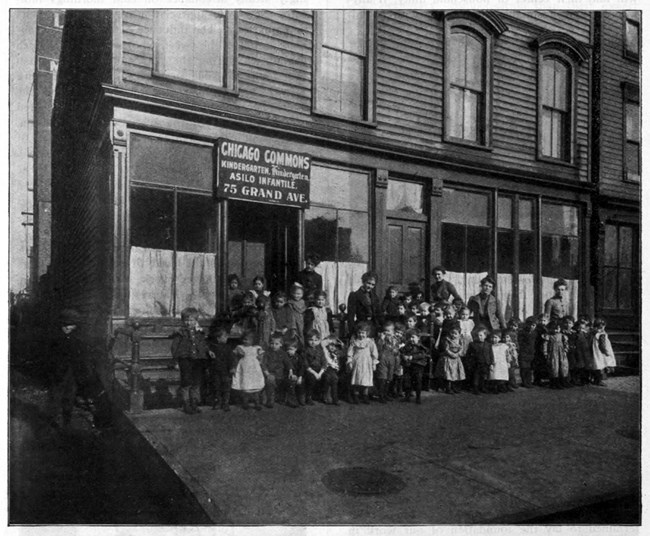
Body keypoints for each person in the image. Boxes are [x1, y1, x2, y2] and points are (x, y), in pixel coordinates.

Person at [47, 309, 95, 428]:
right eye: (66, 325)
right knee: (55, 397)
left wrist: (83, 371)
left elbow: (82, 357)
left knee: (69, 396)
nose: (68, 328)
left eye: (71, 325)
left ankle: (66, 422)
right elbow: (50, 357)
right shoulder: (55, 338)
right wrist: (54, 370)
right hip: (58, 373)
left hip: (71, 373)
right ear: (61, 325)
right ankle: (52, 421)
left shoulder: (77, 339)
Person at [171, 307, 213, 414]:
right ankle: (186, 404)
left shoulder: (200, 332)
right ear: (183, 321)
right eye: (186, 320)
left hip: (198, 359)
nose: (189, 323)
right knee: (186, 382)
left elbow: (203, 344)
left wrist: (208, 351)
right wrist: (175, 361)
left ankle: (194, 403)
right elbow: (174, 347)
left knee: (196, 381)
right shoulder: (180, 333)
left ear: (196, 321)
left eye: (192, 320)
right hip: (185, 359)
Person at [231, 330, 265, 410]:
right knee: (245, 385)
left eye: (247, 339)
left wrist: (260, 358)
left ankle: (257, 403)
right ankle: (245, 403)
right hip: (244, 369)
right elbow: (234, 356)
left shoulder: (256, 348)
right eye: (244, 339)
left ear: (253, 340)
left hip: (254, 369)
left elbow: (261, 356)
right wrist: (234, 365)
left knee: (255, 386)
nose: (245, 341)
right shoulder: (240, 347)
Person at [347, 322, 379, 404]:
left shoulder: (370, 342)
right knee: (356, 380)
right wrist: (350, 362)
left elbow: (374, 353)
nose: (361, 335)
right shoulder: (354, 342)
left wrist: (374, 363)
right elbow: (350, 353)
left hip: (366, 364)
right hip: (357, 363)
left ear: (367, 333)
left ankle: (365, 396)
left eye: (363, 333)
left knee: (366, 381)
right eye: (359, 333)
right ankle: (356, 396)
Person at [260, 332, 293, 408]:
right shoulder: (267, 353)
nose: (274, 346)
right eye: (272, 343)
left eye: (276, 344)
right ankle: (270, 400)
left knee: (288, 381)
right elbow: (263, 364)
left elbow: (288, 363)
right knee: (270, 381)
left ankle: (286, 398)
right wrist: (267, 374)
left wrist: (291, 372)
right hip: (270, 374)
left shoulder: (283, 353)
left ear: (281, 344)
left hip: (280, 375)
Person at [347, 271, 383, 336]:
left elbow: (379, 313)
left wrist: (381, 328)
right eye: (368, 283)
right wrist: (352, 332)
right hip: (361, 327)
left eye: (373, 285)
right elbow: (350, 316)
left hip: (373, 326)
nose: (370, 286)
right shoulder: (355, 295)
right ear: (363, 282)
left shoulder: (374, 296)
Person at [207, 326, 234, 411]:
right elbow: (209, 360)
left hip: (225, 371)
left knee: (226, 387)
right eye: (224, 336)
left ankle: (225, 403)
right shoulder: (212, 348)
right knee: (216, 387)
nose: (227, 338)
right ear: (218, 338)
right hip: (215, 371)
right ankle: (218, 402)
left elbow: (231, 359)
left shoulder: (228, 347)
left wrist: (232, 367)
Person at [400, 328, 429, 404]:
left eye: (413, 337)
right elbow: (402, 351)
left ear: (418, 338)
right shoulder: (407, 346)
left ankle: (418, 397)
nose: (411, 339)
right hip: (408, 365)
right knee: (407, 381)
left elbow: (423, 354)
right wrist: (404, 356)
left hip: (418, 365)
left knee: (418, 381)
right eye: (409, 337)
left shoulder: (420, 346)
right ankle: (407, 396)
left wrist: (413, 357)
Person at [436, 322, 466, 394]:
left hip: (456, 359)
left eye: (455, 333)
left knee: (456, 373)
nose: (453, 335)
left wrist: (458, 354)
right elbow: (446, 349)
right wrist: (452, 354)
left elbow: (462, 348)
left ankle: (455, 387)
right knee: (448, 373)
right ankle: (448, 388)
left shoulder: (460, 340)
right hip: (449, 358)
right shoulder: (447, 340)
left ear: (459, 334)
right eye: (452, 333)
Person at [375, 321, 400, 403]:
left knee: (389, 378)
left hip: (391, 359)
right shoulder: (381, 339)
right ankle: (381, 395)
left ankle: (386, 394)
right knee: (383, 378)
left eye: (389, 331)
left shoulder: (395, 339)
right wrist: (381, 339)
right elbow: (378, 348)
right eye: (385, 330)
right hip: (383, 359)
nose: (386, 333)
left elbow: (397, 350)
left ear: (393, 331)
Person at [303, 329, 328, 405]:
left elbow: (324, 362)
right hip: (310, 370)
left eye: (316, 340)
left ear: (319, 341)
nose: (313, 342)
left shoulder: (320, 350)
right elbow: (305, 364)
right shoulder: (305, 350)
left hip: (319, 370)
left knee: (326, 377)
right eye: (311, 340)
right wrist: (315, 373)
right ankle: (309, 397)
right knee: (311, 378)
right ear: (307, 340)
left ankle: (322, 395)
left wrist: (320, 373)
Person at [589, 317, 616, 386]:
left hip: (596, 351)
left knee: (597, 365)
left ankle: (595, 379)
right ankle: (598, 380)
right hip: (600, 352)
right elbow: (602, 345)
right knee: (601, 365)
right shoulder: (601, 334)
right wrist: (606, 352)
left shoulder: (594, 333)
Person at [543, 321, 570, 389]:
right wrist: (545, 352)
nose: (556, 330)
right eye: (554, 328)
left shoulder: (562, 335)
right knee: (554, 367)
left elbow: (566, 343)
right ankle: (554, 383)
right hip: (553, 353)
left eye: (557, 328)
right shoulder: (549, 336)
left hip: (561, 353)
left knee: (563, 366)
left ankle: (563, 382)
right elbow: (545, 344)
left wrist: (566, 350)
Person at [465, 327, 491, 395]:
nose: (479, 337)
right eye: (477, 335)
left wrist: (491, 362)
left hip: (485, 362)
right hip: (476, 363)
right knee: (476, 376)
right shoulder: (472, 344)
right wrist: (469, 362)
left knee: (483, 376)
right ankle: (475, 388)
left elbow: (490, 354)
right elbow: (468, 354)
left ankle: (482, 387)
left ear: (485, 336)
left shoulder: (488, 344)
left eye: (481, 335)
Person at [321, 335, 343, 405]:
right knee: (329, 378)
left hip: (334, 370)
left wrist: (341, 344)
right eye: (331, 345)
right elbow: (322, 343)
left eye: (334, 346)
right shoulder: (325, 351)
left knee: (334, 379)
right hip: (326, 368)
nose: (333, 347)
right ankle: (326, 397)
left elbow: (343, 352)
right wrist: (330, 340)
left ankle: (334, 398)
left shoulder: (337, 352)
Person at [517, 317, 537, 388]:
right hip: (523, 353)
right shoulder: (522, 333)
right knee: (524, 368)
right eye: (530, 325)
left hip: (531, 353)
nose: (531, 327)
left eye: (533, 325)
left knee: (529, 369)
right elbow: (520, 342)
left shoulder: (534, 333)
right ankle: (524, 382)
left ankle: (529, 382)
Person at [285, 340, 304, 407]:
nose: (289, 351)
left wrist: (300, 376)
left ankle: (301, 398)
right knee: (291, 383)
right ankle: (292, 400)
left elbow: (301, 367)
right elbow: (286, 367)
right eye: (287, 349)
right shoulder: (286, 357)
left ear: (295, 349)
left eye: (291, 349)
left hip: (297, 374)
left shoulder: (298, 357)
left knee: (301, 382)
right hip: (288, 375)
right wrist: (291, 375)